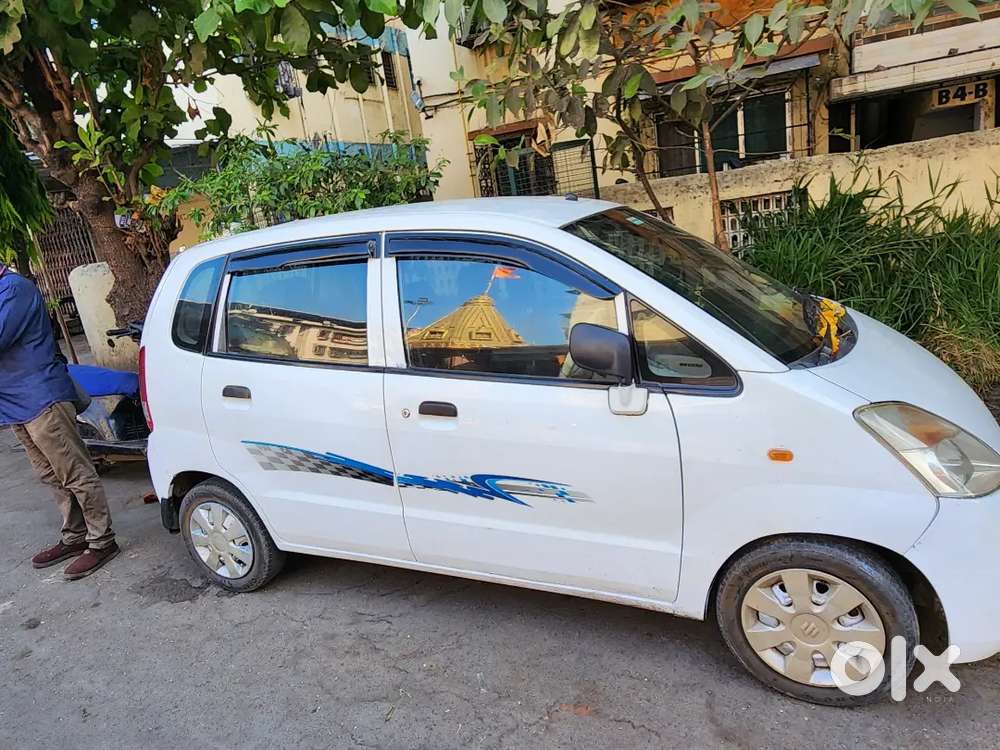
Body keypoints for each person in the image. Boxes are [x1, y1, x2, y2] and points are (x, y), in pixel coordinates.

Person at [0, 263, 119, 579]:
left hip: (41, 397)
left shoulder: (14, 289)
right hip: (14, 404)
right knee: (50, 475)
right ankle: (75, 535)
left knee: (74, 472)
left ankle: (102, 540)